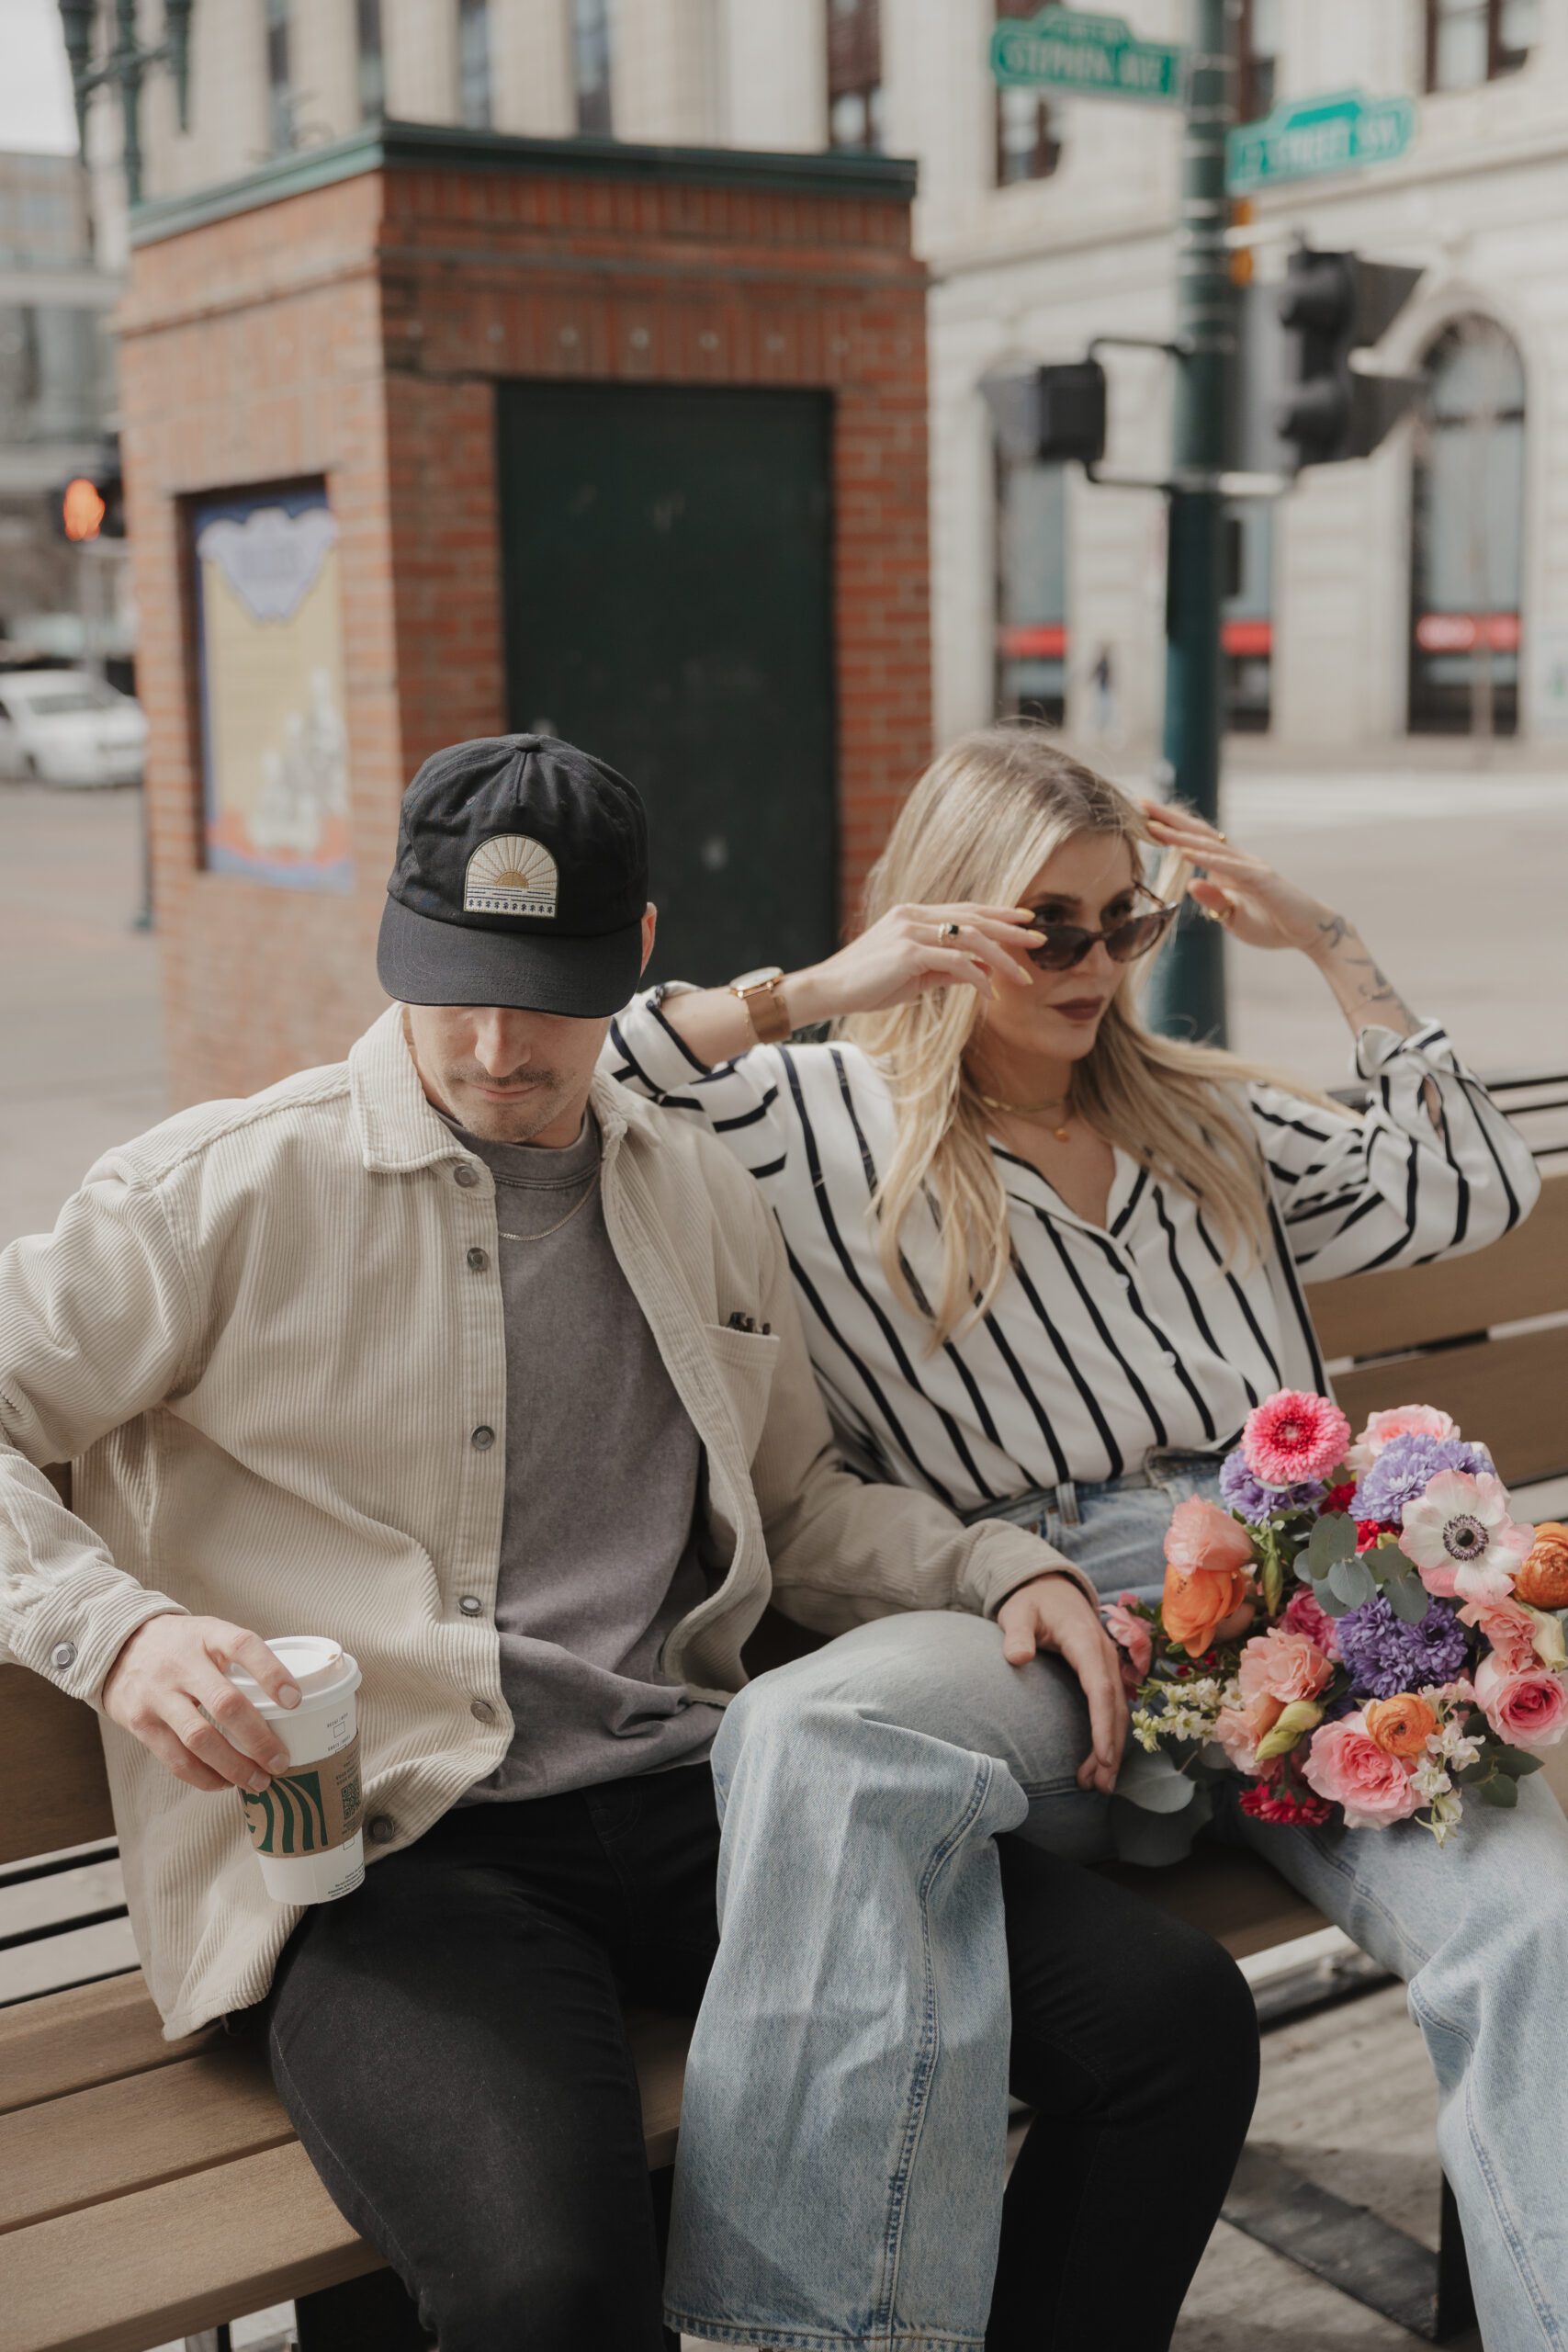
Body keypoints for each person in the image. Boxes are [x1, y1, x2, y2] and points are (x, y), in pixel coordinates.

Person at [0, 734, 1258, 2352]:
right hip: (393, 1852)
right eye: (453, 979)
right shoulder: (217, 1193)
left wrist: (994, 1565)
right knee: (554, 2290)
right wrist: (117, 1631)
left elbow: (799, 1510)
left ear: (638, 955)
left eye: (547, 987)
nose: (494, 1038)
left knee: (1174, 2026)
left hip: (701, 1799)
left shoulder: (697, 1196)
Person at [607, 721, 1560, 2352]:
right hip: (1033, 1612)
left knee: (1539, 1927)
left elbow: (1475, 1187)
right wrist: (833, 984)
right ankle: (830, 2334)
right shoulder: (811, 1122)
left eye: (1129, 921)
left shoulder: (1202, 1118)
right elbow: (611, 1069)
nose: (1097, 960)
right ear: (952, 913)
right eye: (1050, 923)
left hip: (1304, 1606)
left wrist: (1328, 942)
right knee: (811, 1727)